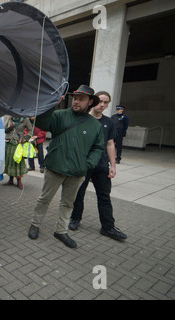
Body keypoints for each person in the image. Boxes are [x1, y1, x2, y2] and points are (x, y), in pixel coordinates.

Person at [28, 85, 104, 249]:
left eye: (81, 99)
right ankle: (35, 224)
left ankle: (61, 231)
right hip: (55, 166)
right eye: (75, 98)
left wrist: (88, 164)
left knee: (68, 203)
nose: (76, 101)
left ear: (90, 102)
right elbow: (42, 122)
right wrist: (50, 105)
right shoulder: (60, 115)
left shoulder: (95, 126)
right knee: (45, 198)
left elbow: (98, 148)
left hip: (77, 171)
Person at [69, 91, 127, 241]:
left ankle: (107, 227)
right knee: (78, 193)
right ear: (92, 102)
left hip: (101, 165)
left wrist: (113, 165)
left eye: (106, 102)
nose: (102, 105)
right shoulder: (82, 119)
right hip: (83, 164)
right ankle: (75, 218)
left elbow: (110, 144)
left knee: (104, 196)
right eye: (100, 101)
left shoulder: (109, 122)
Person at [2, 116, 33, 190]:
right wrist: (10, 127)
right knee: (9, 161)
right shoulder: (9, 118)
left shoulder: (25, 119)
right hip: (9, 142)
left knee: (18, 161)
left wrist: (25, 139)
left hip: (18, 143)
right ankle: (10, 180)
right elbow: (4, 130)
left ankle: (19, 181)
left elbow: (30, 130)